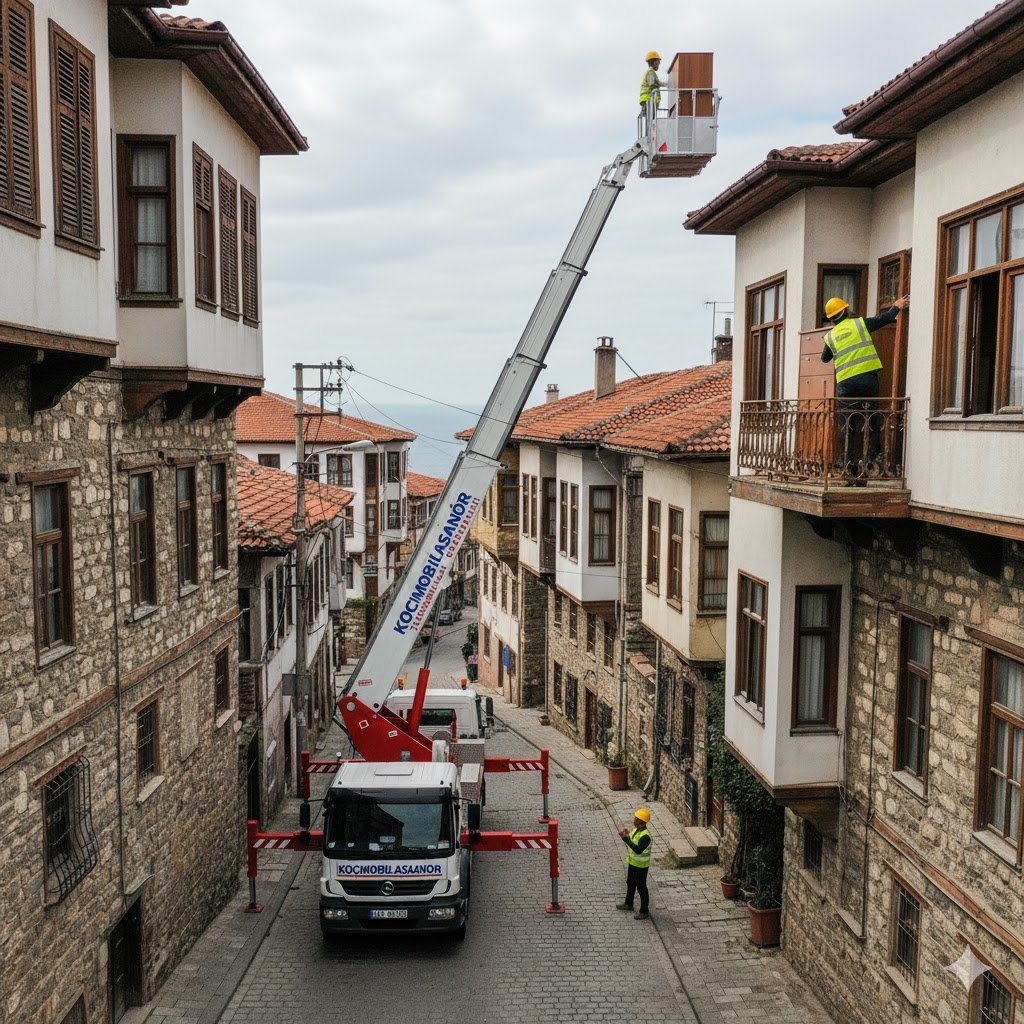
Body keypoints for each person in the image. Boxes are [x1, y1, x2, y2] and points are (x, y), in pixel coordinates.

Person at [821, 293, 910, 477]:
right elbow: (884, 319)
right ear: (846, 310)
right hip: (867, 379)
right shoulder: (860, 324)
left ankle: (845, 461)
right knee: (871, 417)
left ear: (831, 319)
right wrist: (897, 306)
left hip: (846, 384)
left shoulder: (830, 337)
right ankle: (871, 458)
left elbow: (824, 358)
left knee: (847, 422)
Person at [616, 808, 652, 919]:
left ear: (642, 822)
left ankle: (644, 910)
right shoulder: (636, 830)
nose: (634, 821)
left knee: (641, 888)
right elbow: (630, 843)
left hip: (641, 867)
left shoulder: (645, 836)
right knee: (630, 883)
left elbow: (637, 849)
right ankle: (628, 903)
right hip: (633, 863)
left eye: (636, 819)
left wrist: (626, 839)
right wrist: (625, 837)